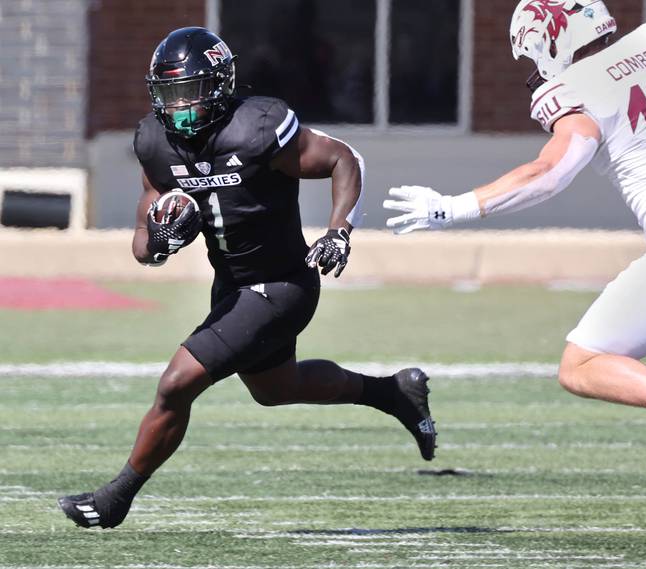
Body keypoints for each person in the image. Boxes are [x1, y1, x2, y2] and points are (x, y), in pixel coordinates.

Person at [384, 1, 646, 485]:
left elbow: (549, 173)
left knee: (580, 364)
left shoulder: (575, 89)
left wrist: (452, 207)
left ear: (550, 42)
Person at [58, 27, 436, 529]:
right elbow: (142, 245)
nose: (180, 109)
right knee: (276, 388)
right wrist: (162, 240)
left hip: (284, 283)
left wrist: (340, 231)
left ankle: (115, 499)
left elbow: (342, 158)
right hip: (233, 287)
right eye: (169, 96)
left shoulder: (255, 127)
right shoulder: (155, 141)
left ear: (218, 86)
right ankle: (393, 392)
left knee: (177, 384)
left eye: (190, 93)